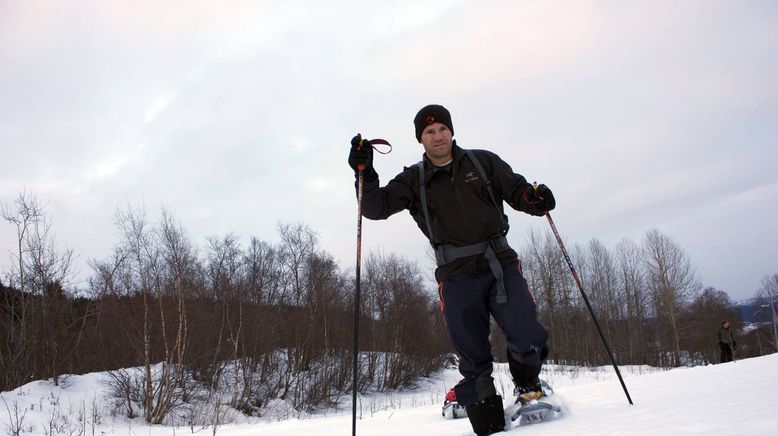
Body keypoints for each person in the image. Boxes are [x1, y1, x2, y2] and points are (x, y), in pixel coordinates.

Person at [348, 104, 556, 435]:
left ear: (451, 131)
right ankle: (488, 416)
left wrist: (535, 198)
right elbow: (375, 208)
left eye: (442, 128)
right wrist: (364, 172)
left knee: (527, 331)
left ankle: (529, 385)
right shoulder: (413, 180)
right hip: (456, 275)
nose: (438, 135)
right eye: (429, 132)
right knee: (473, 360)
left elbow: (517, 191)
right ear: (421, 139)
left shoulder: (482, 161)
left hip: (498, 261)